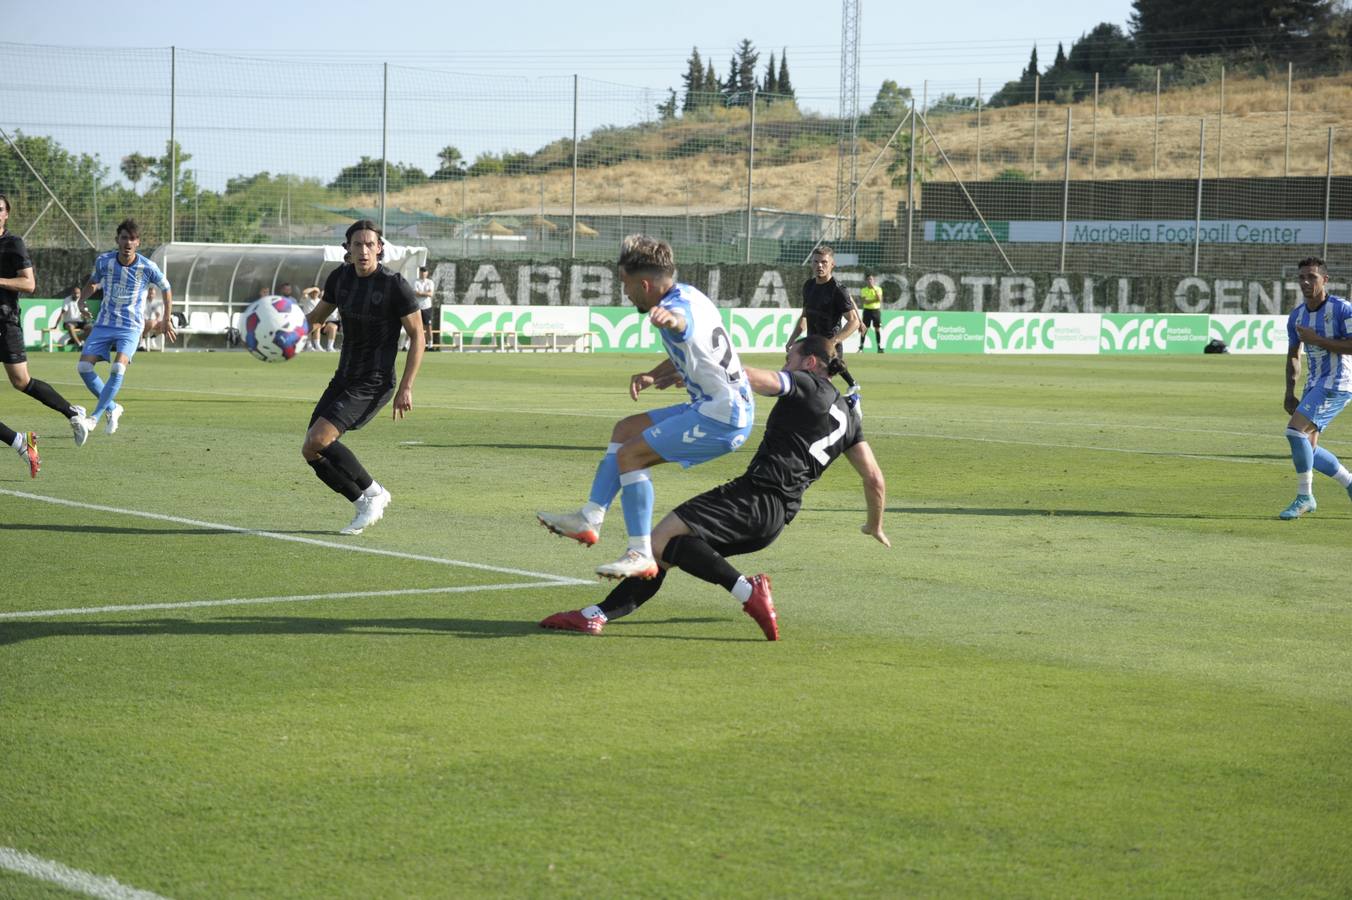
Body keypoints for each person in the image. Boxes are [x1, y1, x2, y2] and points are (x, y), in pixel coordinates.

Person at [540, 336, 889, 641]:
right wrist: (874, 525)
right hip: (776, 519)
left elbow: (758, 379)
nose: (786, 364)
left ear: (810, 362)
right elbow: (874, 478)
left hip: (754, 496)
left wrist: (702, 372)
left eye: (790, 358)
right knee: (666, 551)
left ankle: (747, 591)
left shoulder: (808, 384)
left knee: (656, 543)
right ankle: (594, 616)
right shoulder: (850, 416)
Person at [537, 234, 755, 581]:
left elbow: (682, 326)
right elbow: (695, 349)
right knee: (625, 431)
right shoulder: (691, 295)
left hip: (723, 418)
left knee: (632, 455)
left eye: (626, 284)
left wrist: (671, 321)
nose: (625, 293)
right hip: (716, 406)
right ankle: (590, 517)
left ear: (645, 284)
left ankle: (640, 552)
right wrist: (655, 375)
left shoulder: (677, 310)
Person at [302, 219, 423, 535]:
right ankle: (363, 501)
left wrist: (406, 387)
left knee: (320, 438)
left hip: (375, 381)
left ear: (380, 249)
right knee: (311, 449)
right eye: (358, 244)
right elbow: (316, 319)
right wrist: (281, 332)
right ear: (348, 249)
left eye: (371, 244)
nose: (365, 250)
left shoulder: (394, 285)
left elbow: (418, 336)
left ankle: (373, 493)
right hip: (344, 375)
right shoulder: (339, 278)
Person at [0, 193, 97, 447]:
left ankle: (72, 412)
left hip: (5, 322)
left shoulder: (13, 244)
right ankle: (18, 442)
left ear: (6, 214)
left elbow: (29, 283)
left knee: (21, 381)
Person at [78, 218, 175, 436]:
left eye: (132, 239)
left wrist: (167, 318)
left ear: (138, 242)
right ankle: (113, 407)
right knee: (84, 368)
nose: (128, 243)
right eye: (124, 238)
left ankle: (93, 418)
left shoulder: (147, 267)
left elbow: (166, 289)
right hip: (104, 323)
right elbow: (94, 282)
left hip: (130, 327)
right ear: (117, 240)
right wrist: (81, 300)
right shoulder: (104, 261)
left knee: (118, 367)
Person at [1279, 256, 1352, 519]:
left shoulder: (1342, 309)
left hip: (1337, 384)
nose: (1306, 282)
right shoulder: (1297, 316)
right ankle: (1350, 483)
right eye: (1301, 277)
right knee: (1307, 446)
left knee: (1294, 432)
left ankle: (1304, 496)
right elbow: (1293, 355)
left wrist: (1318, 340)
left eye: (1312, 277)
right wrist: (1289, 391)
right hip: (1314, 384)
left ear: (1325, 280)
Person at [787, 244, 862, 411]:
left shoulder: (838, 290)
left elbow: (854, 321)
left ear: (832, 264)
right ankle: (850, 396)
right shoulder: (808, 286)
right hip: (811, 345)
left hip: (829, 348)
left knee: (819, 391)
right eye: (816, 262)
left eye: (824, 262)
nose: (819, 265)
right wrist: (792, 340)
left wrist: (833, 342)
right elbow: (804, 316)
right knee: (807, 387)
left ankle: (848, 405)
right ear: (811, 264)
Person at [858, 272, 884, 353]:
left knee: (877, 328)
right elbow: (865, 302)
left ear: (874, 280)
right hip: (867, 311)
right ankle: (861, 347)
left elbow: (879, 299)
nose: (870, 281)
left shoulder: (878, 289)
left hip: (876, 310)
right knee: (864, 329)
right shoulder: (863, 290)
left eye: (871, 279)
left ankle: (879, 347)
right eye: (868, 279)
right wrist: (874, 299)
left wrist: (874, 291)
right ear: (866, 281)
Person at [412, 266, 435, 349]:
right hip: (417, 307)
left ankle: (430, 345)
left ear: (427, 273)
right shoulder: (415, 281)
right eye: (422, 272)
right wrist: (426, 293)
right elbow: (415, 293)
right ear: (419, 273)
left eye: (425, 272)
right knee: (415, 326)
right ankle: (407, 345)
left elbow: (431, 294)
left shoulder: (430, 282)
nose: (423, 273)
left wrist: (420, 293)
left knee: (428, 326)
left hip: (427, 307)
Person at [300, 286, 326, 351]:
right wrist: (314, 288)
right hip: (305, 320)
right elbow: (304, 292)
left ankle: (317, 345)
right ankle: (309, 345)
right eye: (313, 292)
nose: (315, 294)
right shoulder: (306, 298)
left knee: (318, 325)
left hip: (315, 320)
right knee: (309, 326)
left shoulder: (319, 300)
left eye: (316, 292)